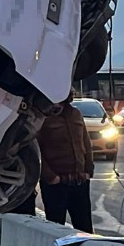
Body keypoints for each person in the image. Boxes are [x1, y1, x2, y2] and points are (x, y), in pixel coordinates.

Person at [35, 97, 94, 232]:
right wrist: (50, 177)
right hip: (56, 184)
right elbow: (35, 150)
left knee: (85, 229)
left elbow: (85, 142)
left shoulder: (75, 114)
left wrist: (88, 170)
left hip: (80, 181)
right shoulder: (41, 116)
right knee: (56, 229)